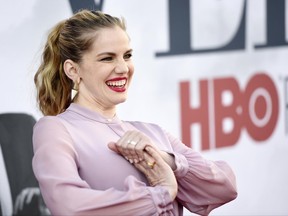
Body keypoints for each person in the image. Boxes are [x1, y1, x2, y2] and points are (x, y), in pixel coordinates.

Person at [32, 9, 237, 216]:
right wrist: (161, 193)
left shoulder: (153, 134)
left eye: (127, 55)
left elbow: (225, 187)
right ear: (73, 70)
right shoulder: (56, 129)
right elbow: (70, 207)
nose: (123, 68)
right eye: (107, 58)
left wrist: (167, 161)